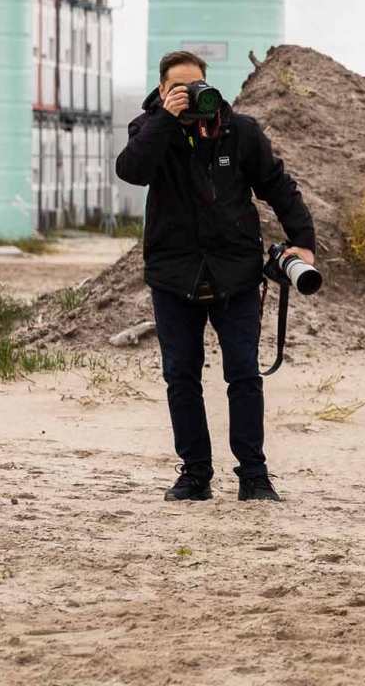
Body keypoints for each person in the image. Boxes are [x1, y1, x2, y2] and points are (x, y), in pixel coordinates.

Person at [115, 50, 316, 504]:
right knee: (181, 378)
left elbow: (277, 185)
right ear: (162, 90)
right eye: (178, 89)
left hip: (236, 273)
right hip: (173, 274)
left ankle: (254, 476)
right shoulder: (148, 129)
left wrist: (303, 239)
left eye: (196, 85)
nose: (190, 95)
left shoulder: (238, 131)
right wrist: (165, 120)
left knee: (244, 375)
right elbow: (132, 171)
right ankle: (195, 474)